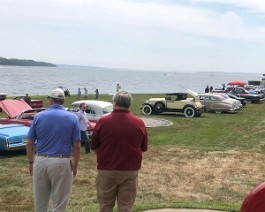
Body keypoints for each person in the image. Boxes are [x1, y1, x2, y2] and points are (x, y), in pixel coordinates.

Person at [91, 91, 148, 212]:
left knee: (105, 205)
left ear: (115, 103)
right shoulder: (139, 123)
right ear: (129, 104)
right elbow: (143, 148)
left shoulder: (103, 121)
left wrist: (104, 155)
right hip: (130, 171)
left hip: (107, 170)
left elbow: (94, 146)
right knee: (126, 207)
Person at [26, 88, 81, 212]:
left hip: (41, 160)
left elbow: (29, 143)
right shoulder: (72, 118)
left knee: (40, 202)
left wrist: (30, 162)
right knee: (60, 203)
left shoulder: (39, 116)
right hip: (61, 161)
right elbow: (76, 145)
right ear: (62, 100)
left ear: (50, 100)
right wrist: (75, 164)